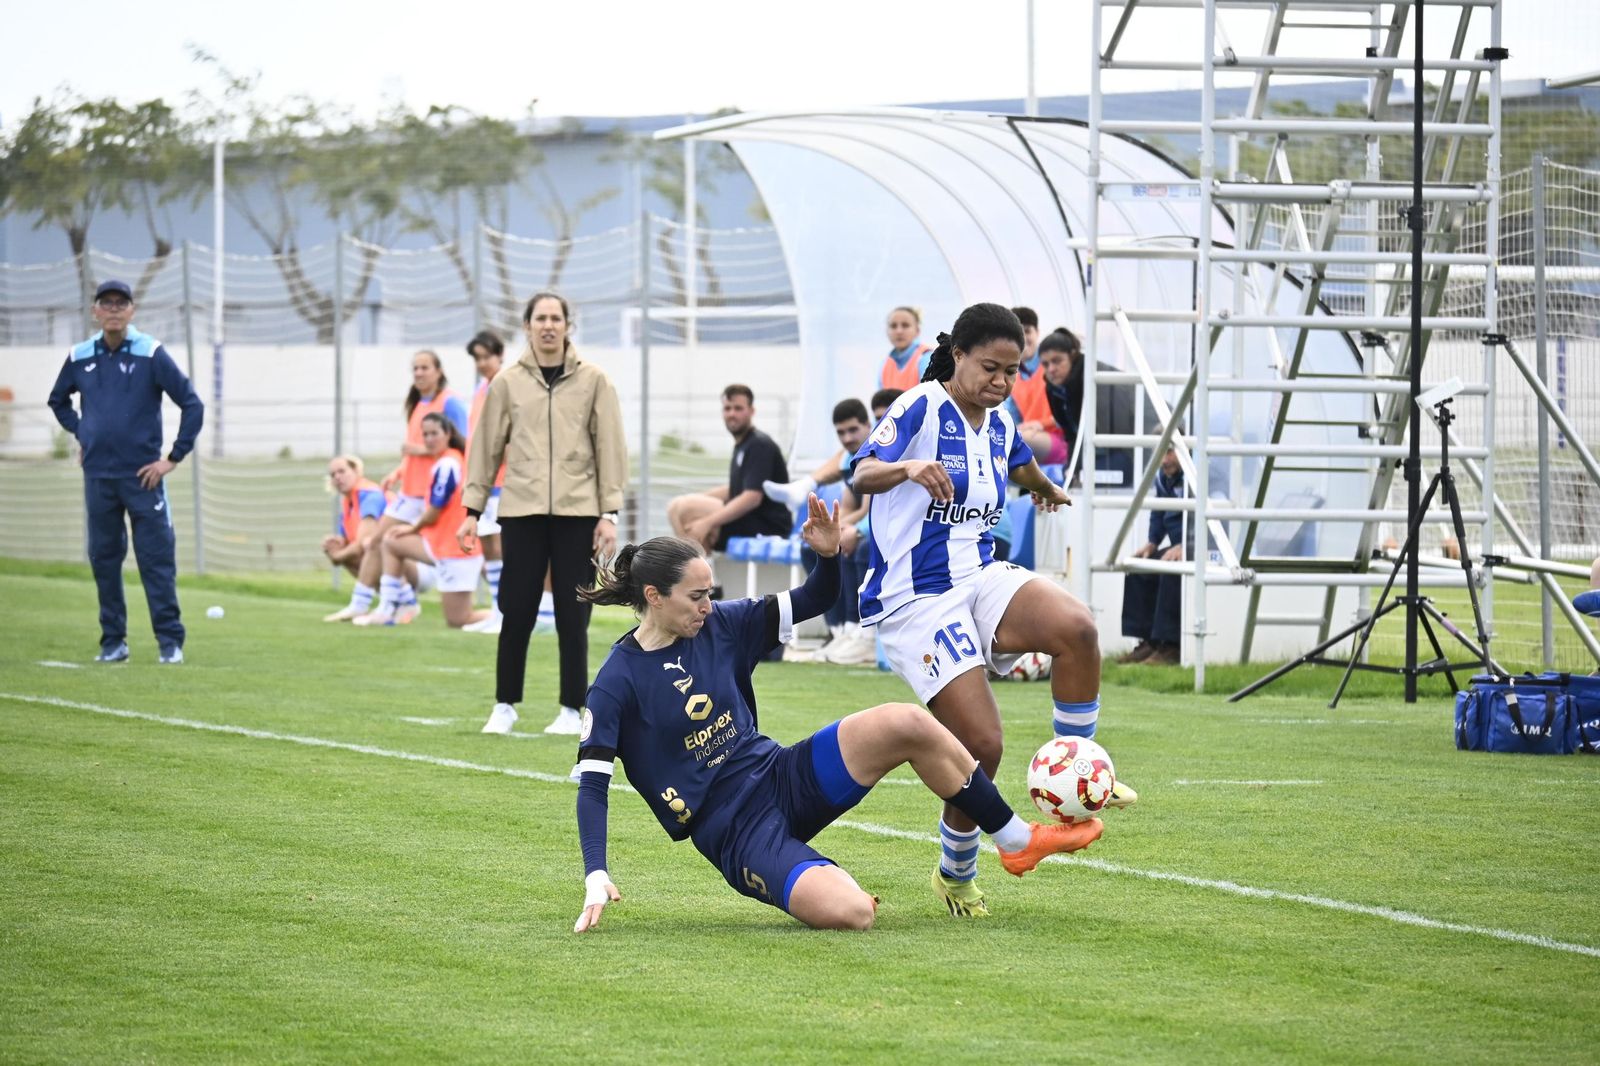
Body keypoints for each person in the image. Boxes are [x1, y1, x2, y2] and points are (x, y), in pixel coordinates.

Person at [570, 497, 1104, 933]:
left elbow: (814, 597)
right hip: (732, 830)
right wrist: (596, 873)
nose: (708, 605)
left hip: (781, 775)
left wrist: (827, 557)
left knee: (907, 722)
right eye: (696, 596)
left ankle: (1015, 841)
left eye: (710, 594)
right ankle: (819, 877)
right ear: (653, 597)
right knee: (853, 914)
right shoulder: (616, 683)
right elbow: (592, 786)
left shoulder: (721, 623)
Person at [850, 302, 1137, 919]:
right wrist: (909, 466)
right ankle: (956, 873)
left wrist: (1044, 488)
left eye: (1012, 370)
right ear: (958, 355)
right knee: (980, 744)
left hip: (978, 575)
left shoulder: (1001, 420)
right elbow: (863, 471)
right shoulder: (919, 407)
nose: (1002, 382)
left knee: (1077, 629)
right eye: (990, 368)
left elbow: (1017, 462)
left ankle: (1074, 773)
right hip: (916, 596)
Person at [461, 292, 626, 736]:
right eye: (540, 318)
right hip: (521, 511)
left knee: (575, 614)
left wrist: (608, 511)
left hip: (578, 512)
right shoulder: (507, 382)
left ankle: (573, 709)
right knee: (516, 609)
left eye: (556, 318)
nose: (548, 325)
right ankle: (504, 705)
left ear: (568, 325)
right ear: (528, 325)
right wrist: (472, 510)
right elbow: (485, 448)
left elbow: (610, 446)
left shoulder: (594, 380)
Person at [47, 279, 204, 664]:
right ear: (95, 311)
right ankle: (113, 642)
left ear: (132, 310)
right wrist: (84, 431)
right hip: (99, 477)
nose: (114, 309)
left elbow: (192, 404)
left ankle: (170, 643)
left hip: (143, 477)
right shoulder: (81, 355)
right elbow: (58, 400)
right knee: (103, 559)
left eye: (121, 303)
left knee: (155, 560)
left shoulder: (151, 353)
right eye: (107, 302)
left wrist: (172, 458)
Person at [356, 413, 487, 628]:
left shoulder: (448, 464)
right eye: (425, 434)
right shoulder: (447, 460)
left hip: (454, 548)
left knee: (459, 620)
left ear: (448, 434)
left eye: (434, 433)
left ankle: (514, 618)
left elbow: (436, 509)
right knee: (390, 541)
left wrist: (412, 528)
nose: (429, 439)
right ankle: (391, 607)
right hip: (442, 544)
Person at [666, 385, 791, 552]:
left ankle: (697, 569)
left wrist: (707, 522)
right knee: (675, 506)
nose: (732, 414)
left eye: (738, 408)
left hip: (767, 525)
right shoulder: (742, 445)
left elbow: (752, 497)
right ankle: (695, 565)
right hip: (748, 519)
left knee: (687, 509)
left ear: (752, 411)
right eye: (727, 408)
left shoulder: (759, 445)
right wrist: (696, 497)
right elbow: (734, 490)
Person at [376, 350, 469, 550]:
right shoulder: (417, 403)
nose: (419, 373)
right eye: (415, 368)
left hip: (433, 492)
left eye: (424, 368)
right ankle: (389, 583)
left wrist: (420, 450)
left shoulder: (450, 402)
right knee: (382, 541)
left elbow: (462, 446)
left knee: (448, 550)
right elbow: (412, 452)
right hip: (410, 490)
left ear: (438, 372)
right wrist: (397, 473)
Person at [1041, 327, 1154, 490]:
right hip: (1110, 450)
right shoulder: (1054, 389)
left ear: (1072, 355)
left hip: (1136, 447)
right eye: (1045, 364)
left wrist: (1079, 471)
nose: (1051, 369)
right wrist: (1073, 468)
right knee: (1069, 478)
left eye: (1057, 361)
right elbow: (1071, 435)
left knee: (1082, 480)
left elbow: (1113, 435)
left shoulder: (1094, 378)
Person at [1117, 437, 1186, 666]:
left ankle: (1170, 646)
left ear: (1184, 449)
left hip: (1203, 545)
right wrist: (1153, 542)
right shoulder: (1163, 477)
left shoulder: (1200, 473)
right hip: (1178, 545)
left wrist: (1189, 545)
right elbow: (1159, 511)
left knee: (1170, 567)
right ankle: (1148, 642)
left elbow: (1214, 519)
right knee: (1140, 566)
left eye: (1169, 452)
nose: (1164, 460)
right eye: (1160, 453)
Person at [460, 329, 511, 636]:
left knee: (502, 549)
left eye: (486, 356)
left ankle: (508, 613)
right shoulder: (481, 388)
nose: (481, 363)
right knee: (488, 547)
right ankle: (496, 611)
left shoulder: (505, 384)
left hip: (503, 480)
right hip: (483, 481)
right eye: (477, 358)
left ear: (499, 354)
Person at [321, 455, 389, 622]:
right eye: (333, 474)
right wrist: (333, 545)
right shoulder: (348, 504)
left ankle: (386, 603)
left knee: (367, 547)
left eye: (342, 471)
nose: (337, 477)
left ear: (356, 471)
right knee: (350, 555)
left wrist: (337, 556)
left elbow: (362, 544)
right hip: (390, 561)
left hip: (412, 562)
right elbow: (345, 541)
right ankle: (388, 602)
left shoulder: (370, 495)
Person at [880, 306, 935, 392]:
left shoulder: (927, 358)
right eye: (893, 326)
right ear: (887, 331)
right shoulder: (884, 364)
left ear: (917, 330)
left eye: (905, 325)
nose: (899, 331)